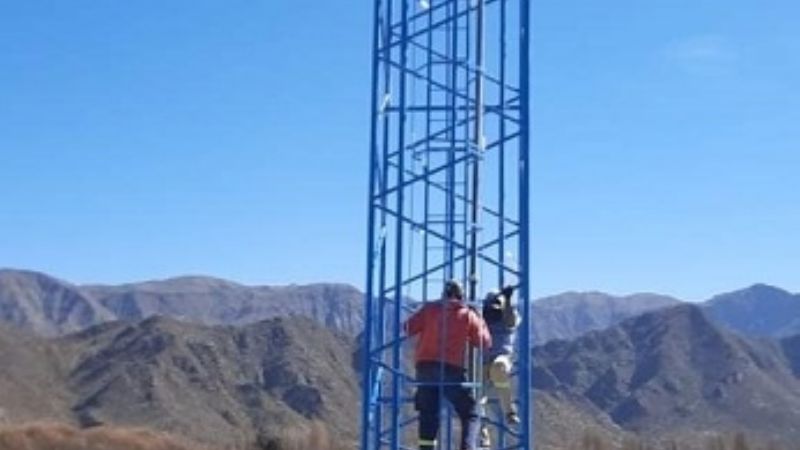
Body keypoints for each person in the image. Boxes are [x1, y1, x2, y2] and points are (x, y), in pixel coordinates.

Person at [405, 280, 492, 450]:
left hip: (424, 368)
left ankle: (426, 448)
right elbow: (484, 342)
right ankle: (467, 447)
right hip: (451, 369)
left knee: (428, 414)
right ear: (461, 295)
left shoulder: (429, 309)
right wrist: (479, 318)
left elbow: (407, 328)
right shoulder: (466, 314)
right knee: (471, 412)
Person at [479, 285, 521, 448]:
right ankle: (483, 438)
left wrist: (507, 301)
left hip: (502, 357)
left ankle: (509, 411)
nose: (493, 310)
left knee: (498, 368)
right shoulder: (482, 318)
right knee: (475, 398)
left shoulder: (508, 316)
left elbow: (511, 321)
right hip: (482, 360)